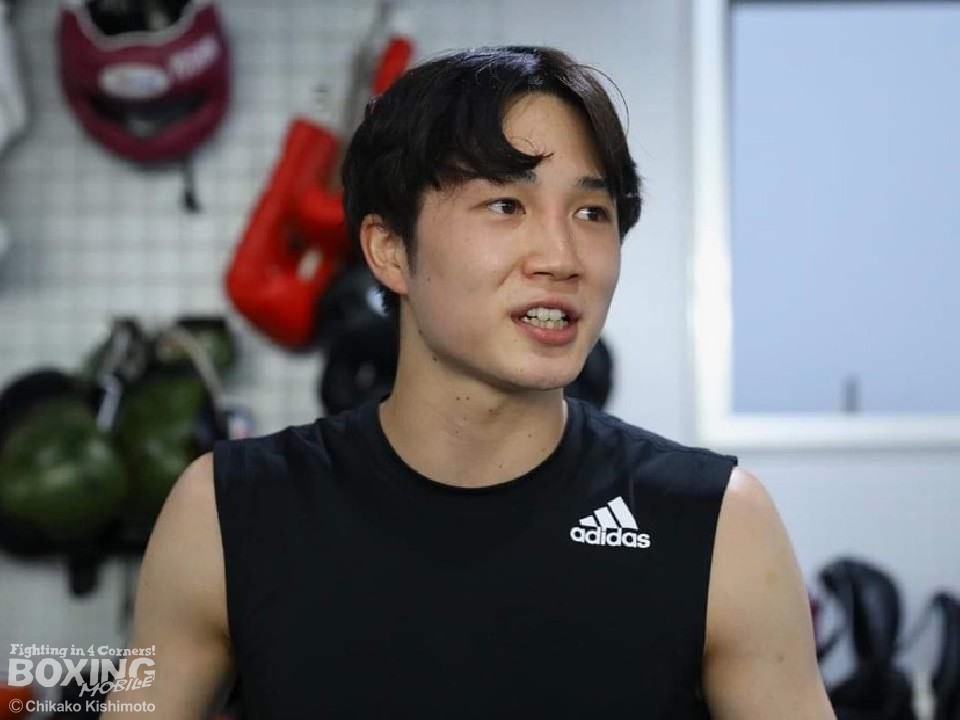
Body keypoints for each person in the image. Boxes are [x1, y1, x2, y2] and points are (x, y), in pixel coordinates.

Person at [104, 46, 835, 719]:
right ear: (390, 251)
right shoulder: (226, 512)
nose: (561, 256)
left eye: (592, 212)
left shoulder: (719, 523)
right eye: (506, 206)